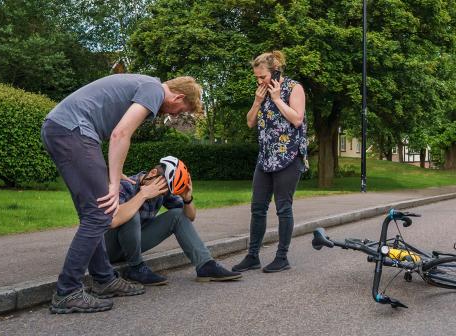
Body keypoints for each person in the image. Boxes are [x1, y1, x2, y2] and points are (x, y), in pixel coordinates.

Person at [41, 74, 202, 314]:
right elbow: (120, 134)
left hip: (66, 130)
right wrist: (114, 183)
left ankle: (104, 279)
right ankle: (68, 291)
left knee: (93, 214)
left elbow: (114, 130)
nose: (174, 115)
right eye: (180, 110)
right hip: (73, 131)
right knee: (99, 215)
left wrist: (115, 172)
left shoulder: (145, 85)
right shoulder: (154, 90)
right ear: (178, 96)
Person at [104, 156, 242, 285]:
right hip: (106, 248)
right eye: (162, 189)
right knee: (130, 212)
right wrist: (143, 195)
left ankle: (206, 265)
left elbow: (189, 218)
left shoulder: (162, 192)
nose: (162, 193)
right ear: (152, 173)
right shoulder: (123, 186)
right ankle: (136, 268)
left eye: (166, 191)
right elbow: (113, 220)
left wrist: (187, 199)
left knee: (177, 214)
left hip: (131, 245)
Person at [232, 50, 308, 273]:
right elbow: (249, 122)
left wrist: (276, 99)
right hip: (265, 157)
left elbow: (297, 119)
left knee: (283, 208)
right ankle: (252, 256)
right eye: (256, 77)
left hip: (289, 156)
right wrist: (257, 101)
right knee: (257, 208)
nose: (259, 81)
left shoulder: (294, 88)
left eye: (262, 76)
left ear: (275, 72)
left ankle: (282, 257)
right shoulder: (262, 92)